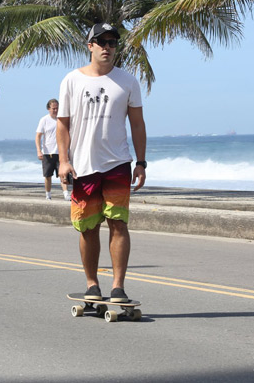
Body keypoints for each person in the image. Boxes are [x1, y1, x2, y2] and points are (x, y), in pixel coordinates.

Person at [57, 23, 147, 304]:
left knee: (118, 223)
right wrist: (63, 161)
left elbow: (137, 124)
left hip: (118, 163)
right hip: (83, 165)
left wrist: (141, 163)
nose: (107, 47)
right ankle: (92, 284)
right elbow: (63, 124)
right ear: (90, 46)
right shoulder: (72, 80)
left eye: (112, 42)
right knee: (88, 226)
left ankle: (118, 287)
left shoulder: (128, 81)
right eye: (101, 41)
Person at [35, 99, 70, 201]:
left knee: (63, 174)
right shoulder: (44, 120)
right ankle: (48, 195)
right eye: (53, 108)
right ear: (48, 109)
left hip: (61, 152)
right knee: (47, 176)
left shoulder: (62, 119)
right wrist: (39, 150)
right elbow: (38, 136)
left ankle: (66, 194)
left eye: (57, 108)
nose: (55, 110)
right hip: (48, 152)